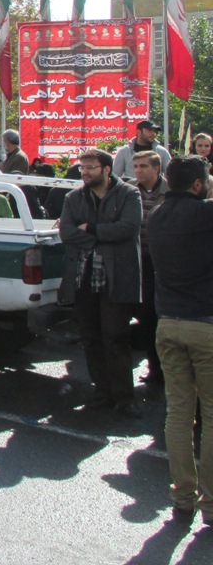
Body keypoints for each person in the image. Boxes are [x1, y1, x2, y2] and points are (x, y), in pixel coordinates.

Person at [147, 156, 213, 526]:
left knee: (178, 414)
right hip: (206, 323)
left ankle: (182, 497)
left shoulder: (156, 216)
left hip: (168, 323)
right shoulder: (205, 215)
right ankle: (211, 504)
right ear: (199, 185)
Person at [58, 148, 143, 417]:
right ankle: (102, 392)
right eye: (82, 167)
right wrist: (104, 234)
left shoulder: (129, 194)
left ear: (107, 169)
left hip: (116, 278)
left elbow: (128, 228)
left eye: (90, 167)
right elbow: (67, 233)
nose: (84, 172)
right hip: (83, 279)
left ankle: (124, 397)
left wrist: (92, 228)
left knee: (115, 337)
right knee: (91, 339)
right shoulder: (74, 197)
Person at [132, 150, 167, 386]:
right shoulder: (129, 191)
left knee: (163, 316)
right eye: (135, 166)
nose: (138, 171)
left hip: (165, 261)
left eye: (143, 166)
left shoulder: (173, 192)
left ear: (157, 168)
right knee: (146, 317)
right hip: (138, 259)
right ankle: (154, 369)